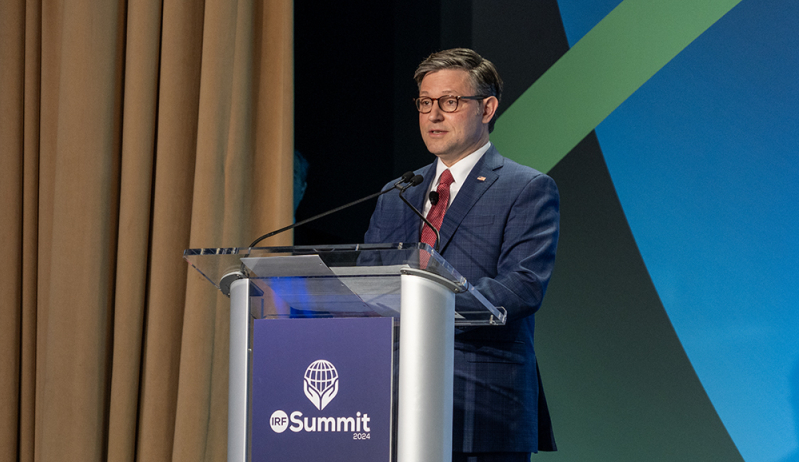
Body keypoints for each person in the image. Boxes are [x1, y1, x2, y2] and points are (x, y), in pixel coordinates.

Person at [364, 48, 559, 461]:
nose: (434, 115)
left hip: (484, 401)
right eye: (425, 103)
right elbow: (368, 282)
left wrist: (424, 309)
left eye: (450, 102)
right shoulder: (397, 193)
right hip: (392, 402)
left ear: (487, 108)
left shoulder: (526, 188)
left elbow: (522, 286)